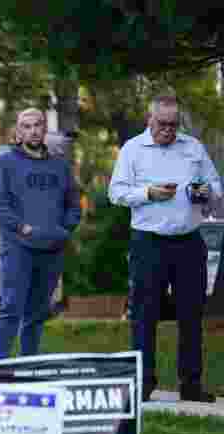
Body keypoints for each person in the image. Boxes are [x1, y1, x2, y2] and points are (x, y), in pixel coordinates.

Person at [109, 94, 219, 402]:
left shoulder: (193, 148)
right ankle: (143, 382)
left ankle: (191, 384)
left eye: (173, 125)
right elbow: (116, 192)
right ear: (150, 121)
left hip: (188, 241)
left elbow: (214, 185)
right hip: (148, 241)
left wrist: (205, 193)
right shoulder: (132, 149)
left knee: (191, 314)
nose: (168, 131)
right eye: (162, 125)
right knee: (144, 314)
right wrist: (148, 193)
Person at [0, 108, 82, 359]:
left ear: (44, 129)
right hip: (18, 248)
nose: (33, 130)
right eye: (26, 126)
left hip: (51, 248)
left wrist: (64, 230)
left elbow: (73, 203)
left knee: (37, 312)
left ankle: (28, 364)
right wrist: (21, 227)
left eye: (37, 125)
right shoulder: (5, 163)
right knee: (11, 307)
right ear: (18, 132)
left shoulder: (59, 165)